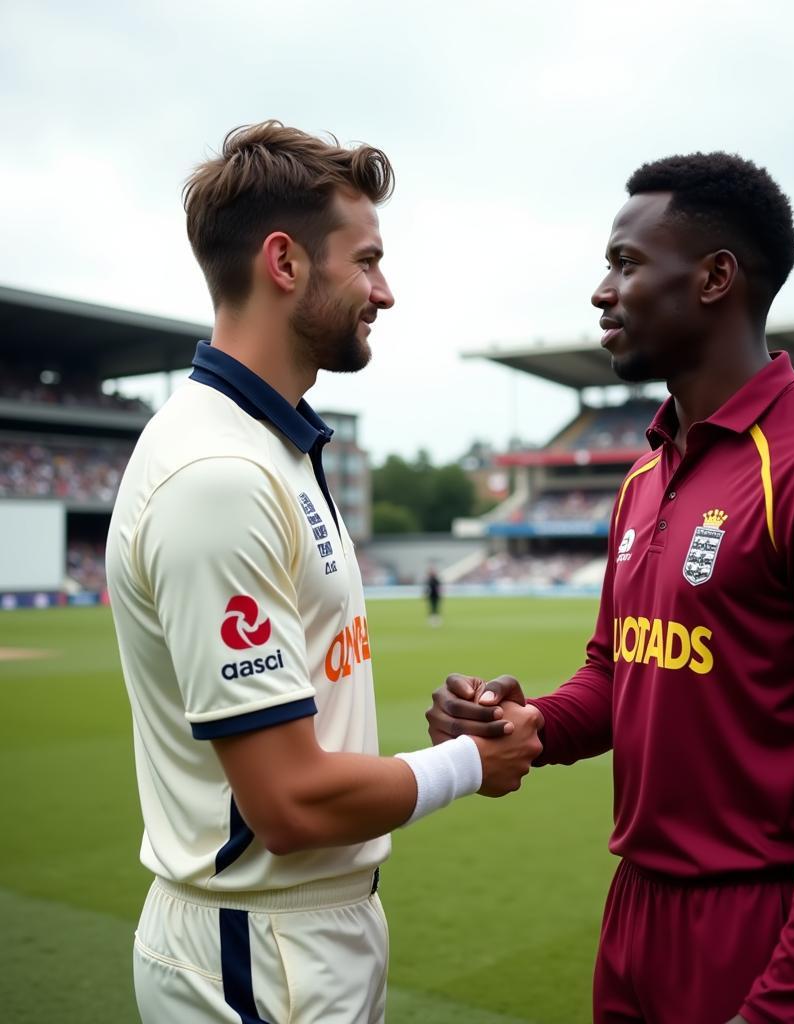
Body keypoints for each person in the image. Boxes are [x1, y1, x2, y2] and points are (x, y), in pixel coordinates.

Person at [427, 153, 794, 1024]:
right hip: (638, 914)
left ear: (714, 278)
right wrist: (534, 723)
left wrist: (786, 1002)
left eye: (626, 263)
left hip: (766, 924)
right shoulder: (645, 478)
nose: (601, 291)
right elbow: (620, 674)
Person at [105, 121, 542, 1024]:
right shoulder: (218, 477)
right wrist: (472, 762)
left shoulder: (273, 443)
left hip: (302, 934)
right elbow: (291, 804)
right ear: (284, 262)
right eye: (368, 259)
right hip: (260, 950)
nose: (386, 290)